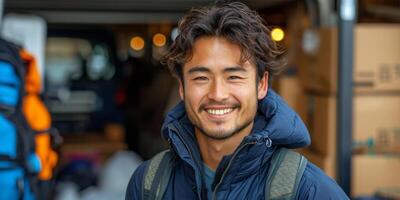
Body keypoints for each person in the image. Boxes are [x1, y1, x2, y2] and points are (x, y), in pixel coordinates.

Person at [125, 1, 349, 199]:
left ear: (261, 85)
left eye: (233, 77)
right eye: (202, 77)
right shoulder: (149, 185)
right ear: (182, 88)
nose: (218, 94)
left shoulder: (308, 190)